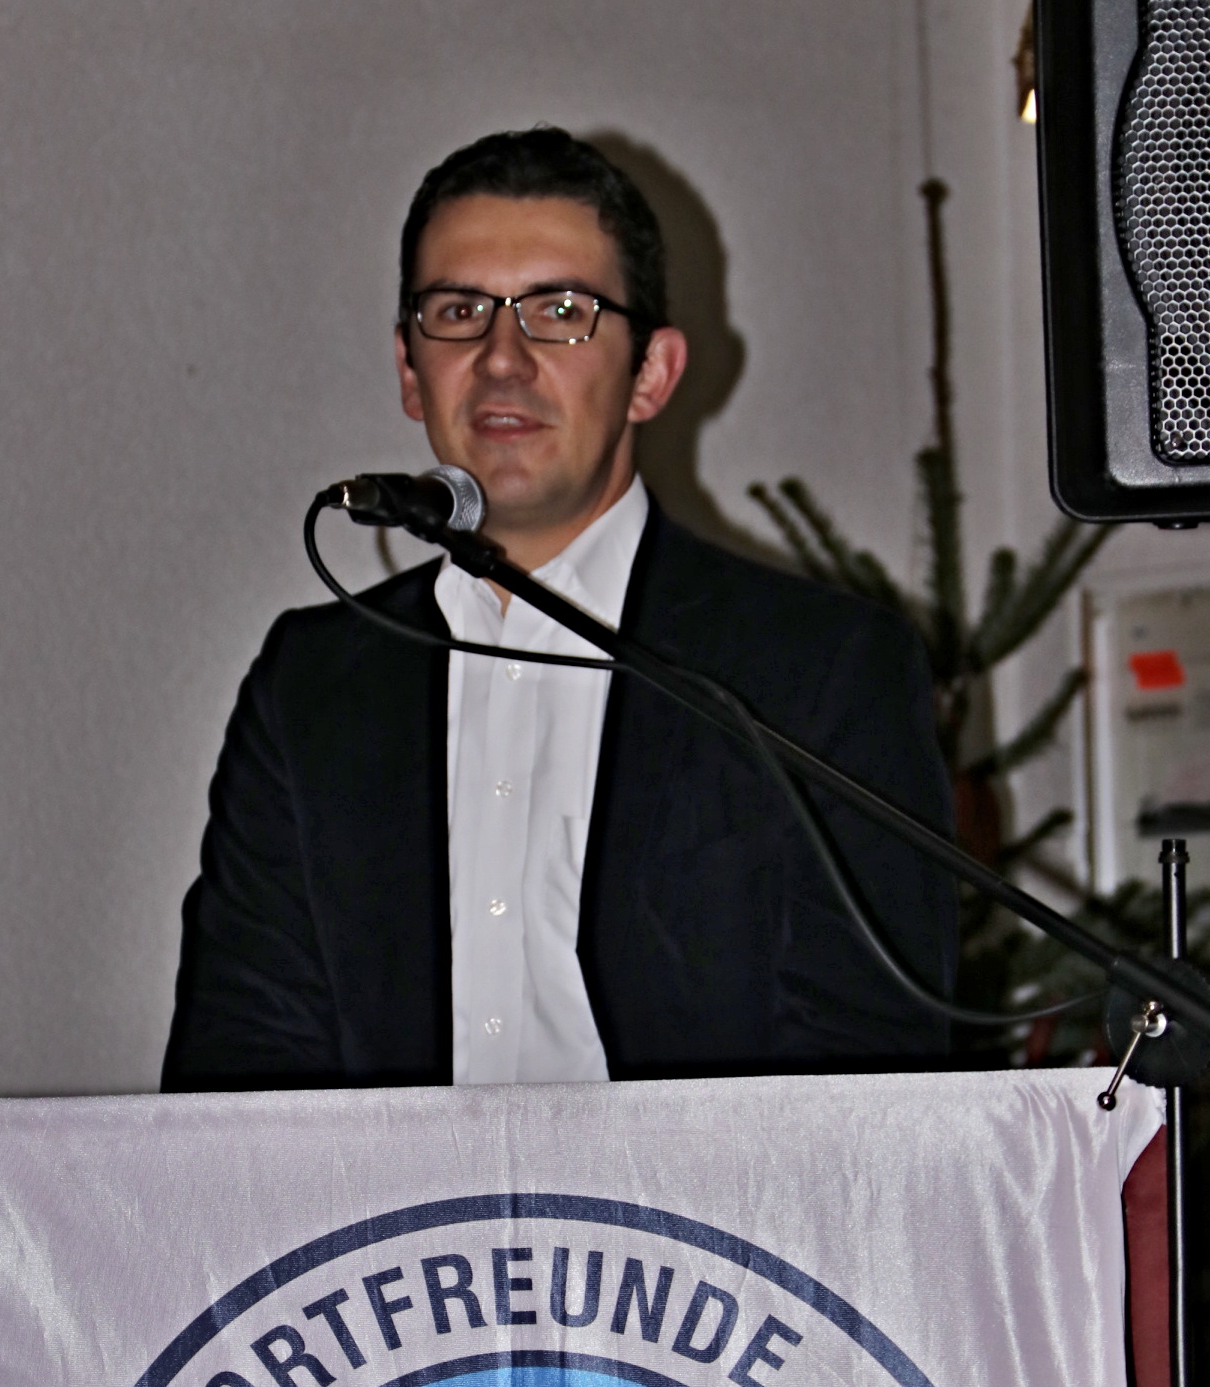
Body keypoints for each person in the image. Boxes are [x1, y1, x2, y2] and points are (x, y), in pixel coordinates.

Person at [162, 128, 956, 1093]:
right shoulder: (312, 682)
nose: (502, 359)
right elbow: (237, 1077)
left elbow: (868, 1092)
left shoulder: (817, 670)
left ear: (650, 374)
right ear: (410, 370)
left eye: (560, 312)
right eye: (458, 312)